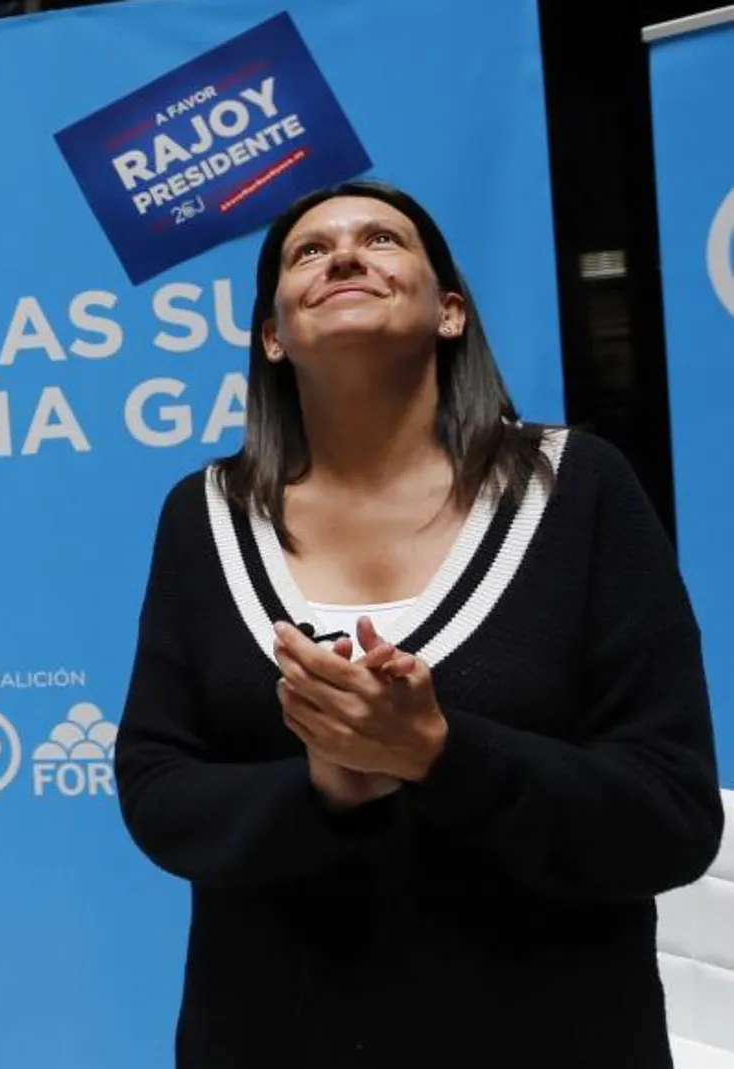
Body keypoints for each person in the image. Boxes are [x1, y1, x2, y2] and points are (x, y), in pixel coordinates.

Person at [113, 178, 724, 1066]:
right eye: (308, 252)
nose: (346, 255)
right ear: (273, 336)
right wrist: (330, 788)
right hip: (270, 1033)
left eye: (383, 239)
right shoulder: (204, 514)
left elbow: (669, 815)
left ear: (450, 312)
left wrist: (441, 754)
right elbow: (158, 789)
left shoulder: (577, 489)